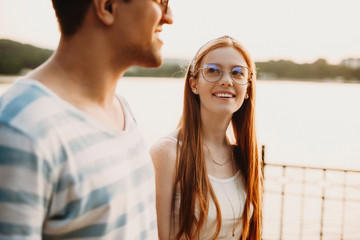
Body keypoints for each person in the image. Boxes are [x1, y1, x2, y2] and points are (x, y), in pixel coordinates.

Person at [0, 0, 173, 239]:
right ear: (108, 6)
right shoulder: (21, 129)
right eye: (161, 1)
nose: (169, 16)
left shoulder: (122, 110)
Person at [151, 36, 262, 240]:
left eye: (238, 73)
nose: (227, 80)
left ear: (247, 88)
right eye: (213, 70)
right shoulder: (168, 153)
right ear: (194, 84)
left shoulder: (242, 156)